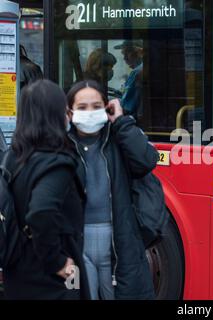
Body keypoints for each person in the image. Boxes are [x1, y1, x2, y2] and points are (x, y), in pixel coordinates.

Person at [66, 80, 159, 300]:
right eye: (82, 107)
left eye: (96, 106)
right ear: (69, 113)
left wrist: (122, 121)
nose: (89, 112)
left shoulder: (119, 137)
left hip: (117, 238)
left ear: (107, 108)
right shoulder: (63, 143)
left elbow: (147, 161)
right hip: (78, 240)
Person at [2, 80, 89, 300]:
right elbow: (41, 211)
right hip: (51, 279)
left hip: (18, 271)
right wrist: (57, 261)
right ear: (55, 115)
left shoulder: (13, 157)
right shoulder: (56, 163)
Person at [114, 40, 144, 118]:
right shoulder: (139, 69)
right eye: (124, 54)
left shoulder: (137, 72)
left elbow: (126, 106)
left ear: (138, 52)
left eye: (127, 53)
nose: (124, 58)